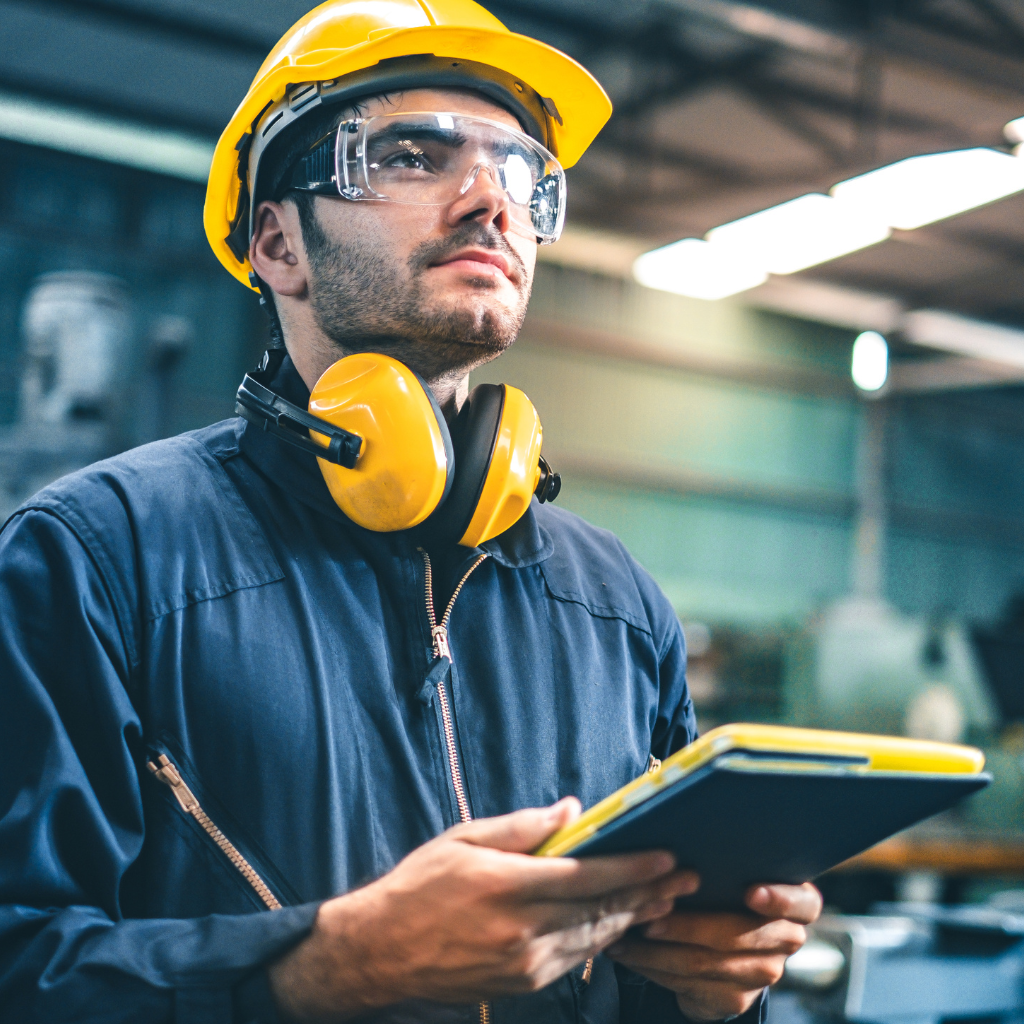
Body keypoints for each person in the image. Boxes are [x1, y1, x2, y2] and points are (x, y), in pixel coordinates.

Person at [0, 2, 821, 1022]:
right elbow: (22, 964)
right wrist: (329, 965)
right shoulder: (94, 558)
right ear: (277, 243)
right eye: (412, 155)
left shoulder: (616, 601)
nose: (490, 201)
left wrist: (707, 983)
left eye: (521, 172)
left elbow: (633, 968)